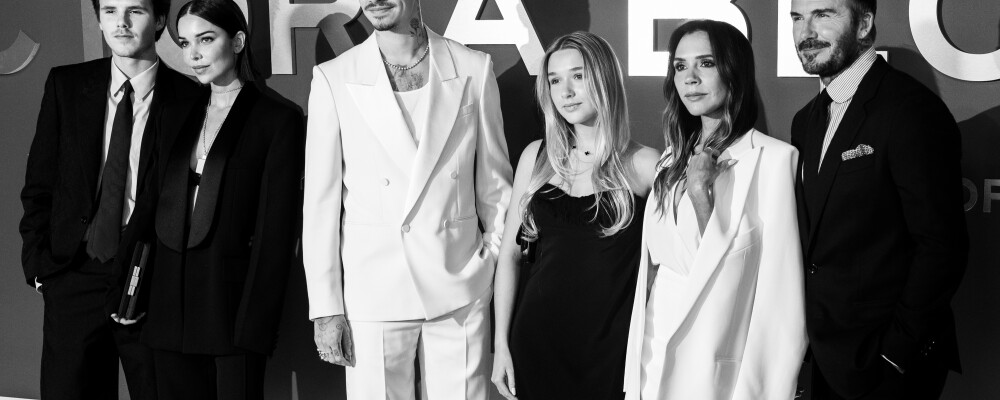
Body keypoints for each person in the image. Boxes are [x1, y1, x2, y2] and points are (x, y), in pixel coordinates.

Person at [302, 0, 513, 398]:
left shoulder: (473, 68)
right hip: (374, 295)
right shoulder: (335, 77)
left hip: (460, 288)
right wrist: (326, 307)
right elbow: (320, 204)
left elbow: (496, 189)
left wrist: (486, 265)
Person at [115, 0, 304, 398]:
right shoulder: (174, 112)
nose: (193, 55)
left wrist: (255, 325)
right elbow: (148, 207)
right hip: (167, 311)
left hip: (231, 311)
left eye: (205, 39)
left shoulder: (276, 119)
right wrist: (127, 291)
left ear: (237, 41)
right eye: (185, 43)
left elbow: (275, 234)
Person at [19, 0, 198, 398]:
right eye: (110, 11)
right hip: (73, 274)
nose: (121, 23)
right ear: (99, 19)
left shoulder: (190, 99)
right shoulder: (66, 85)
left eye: (135, 11)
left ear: (160, 20)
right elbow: (40, 183)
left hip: (147, 279)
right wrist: (40, 266)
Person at [789, 1, 968, 399]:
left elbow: (942, 247)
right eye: (798, 18)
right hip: (825, 359)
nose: (806, 32)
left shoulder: (912, 109)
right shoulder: (806, 120)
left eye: (823, 15)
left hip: (888, 368)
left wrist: (894, 353)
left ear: (864, 24)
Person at [622, 20, 808, 400]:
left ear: (733, 70)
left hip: (716, 368)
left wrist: (700, 195)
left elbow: (780, 301)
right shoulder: (669, 161)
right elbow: (653, 275)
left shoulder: (773, 160)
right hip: (652, 357)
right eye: (680, 66)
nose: (690, 78)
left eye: (705, 63)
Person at [490, 31, 659, 400]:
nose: (565, 91)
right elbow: (510, 256)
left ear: (604, 78)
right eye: (554, 80)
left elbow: (669, 269)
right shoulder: (536, 157)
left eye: (578, 76)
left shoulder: (646, 165)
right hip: (536, 341)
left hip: (609, 351)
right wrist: (501, 343)